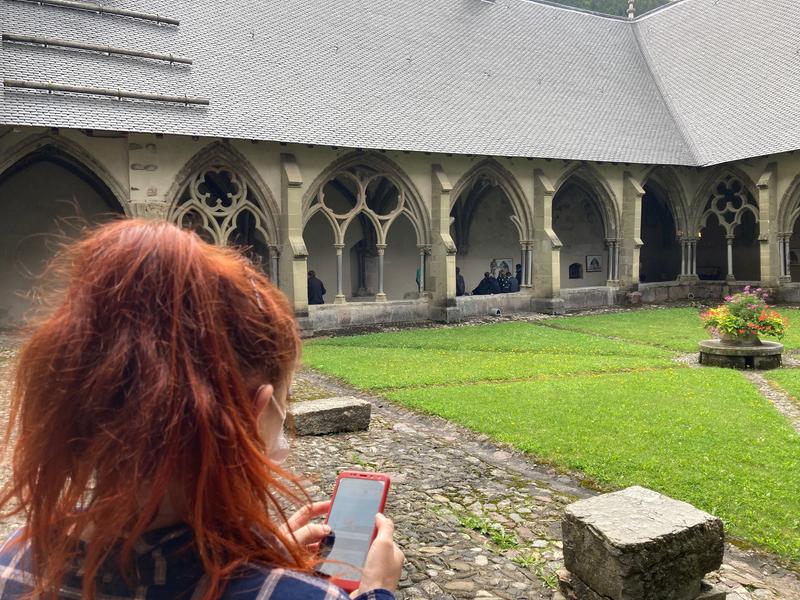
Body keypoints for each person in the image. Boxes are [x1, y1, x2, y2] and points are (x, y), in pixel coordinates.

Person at [0, 220, 403, 600]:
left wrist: (261, 556)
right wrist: (377, 590)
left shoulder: (12, 562)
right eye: (286, 403)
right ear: (251, 411)